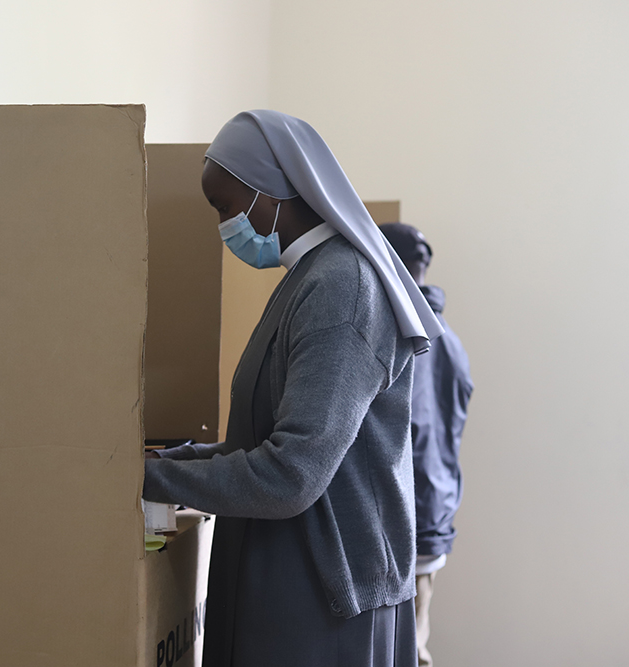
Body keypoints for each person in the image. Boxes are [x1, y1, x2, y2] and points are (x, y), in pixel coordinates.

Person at [142, 110, 444, 667]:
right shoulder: (309, 278)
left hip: (323, 594)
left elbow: (290, 474)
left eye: (224, 206)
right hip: (294, 573)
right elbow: (268, 441)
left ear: (271, 192)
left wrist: (148, 477)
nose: (222, 226)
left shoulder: (340, 288)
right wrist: (181, 459)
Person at [379, 223, 474, 667]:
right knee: (413, 647)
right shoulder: (447, 338)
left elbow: (406, 432)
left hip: (407, 518)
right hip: (434, 510)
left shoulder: (405, 335)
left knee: (403, 653)